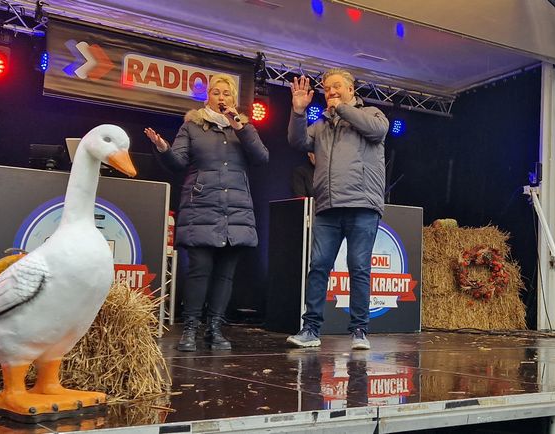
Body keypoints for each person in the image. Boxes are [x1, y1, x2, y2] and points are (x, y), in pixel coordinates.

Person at [145, 73, 268, 352]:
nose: (221, 97)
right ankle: (190, 329)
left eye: (226, 93)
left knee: (225, 274)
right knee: (199, 270)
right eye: (216, 92)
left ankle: (215, 328)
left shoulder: (243, 128)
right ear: (207, 96)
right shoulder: (193, 126)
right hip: (201, 207)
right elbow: (177, 162)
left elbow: (262, 158)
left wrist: (242, 127)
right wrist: (163, 148)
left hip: (235, 211)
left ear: (233, 99)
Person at [286, 69, 388, 350]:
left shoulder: (372, 114)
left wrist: (342, 108)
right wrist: (297, 112)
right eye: (327, 88)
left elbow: (379, 131)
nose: (330, 91)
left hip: (362, 205)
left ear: (351, 89)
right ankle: (310, 329)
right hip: (328, 206)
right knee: (318, 267)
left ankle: (359, 330)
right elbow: (297, 142)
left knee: (358, 268)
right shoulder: (320, 126)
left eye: (337, 86)